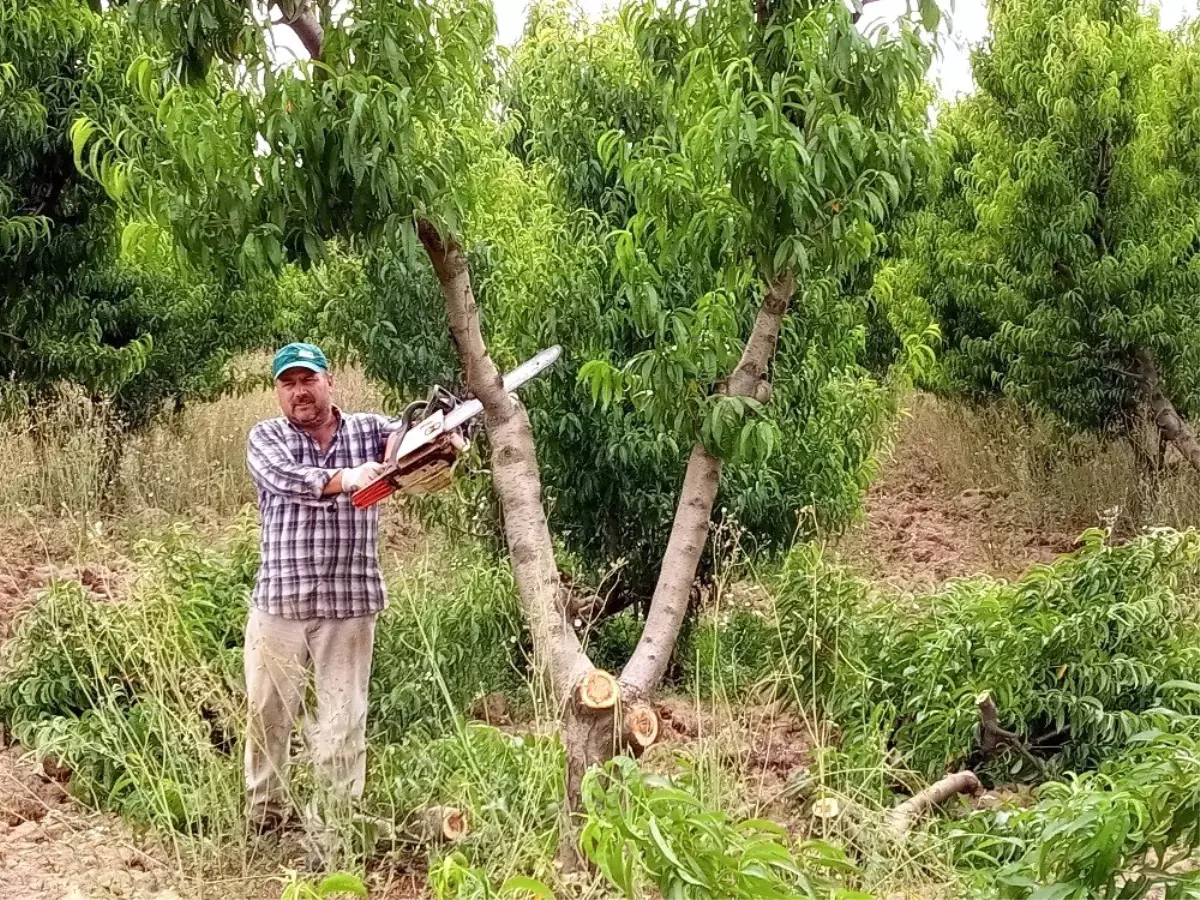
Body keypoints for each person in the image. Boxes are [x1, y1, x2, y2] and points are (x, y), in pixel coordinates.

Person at [242, 341, 394, 849]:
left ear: (329, 381)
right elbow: (287, 480)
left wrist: (424, 440)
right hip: (281, 603)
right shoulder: (267, 436)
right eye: (288, 383)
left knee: (343, 719)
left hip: (349, 604)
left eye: (308, 380)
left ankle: (333, 830)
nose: (299, 392)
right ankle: (265, 814)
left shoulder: (370, 429)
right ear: (278, 392)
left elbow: (408, 440)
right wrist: (345, 477)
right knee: (268, 713)